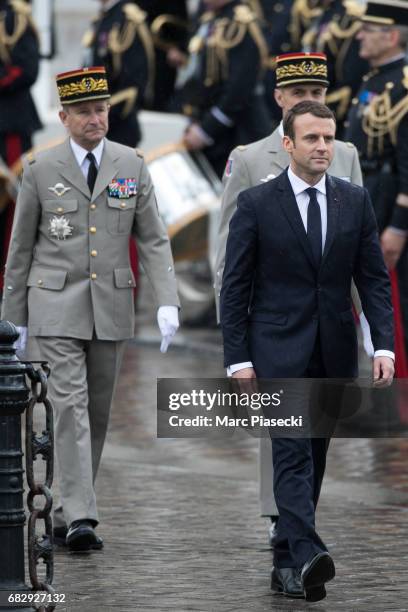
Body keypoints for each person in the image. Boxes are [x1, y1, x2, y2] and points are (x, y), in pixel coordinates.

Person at [220, 101, 394, 601]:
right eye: (312, 138)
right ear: (288, 144)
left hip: (334, 350)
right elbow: (236, 287)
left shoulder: (354, 200)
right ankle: (310, 548)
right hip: (275, 350)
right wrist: (239, 358)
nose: (323, 146)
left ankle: (287, 559)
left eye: (329, 138)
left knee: (314, 456)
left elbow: (374, 281)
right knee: (292, 452)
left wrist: (382, 344)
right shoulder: (257, 203)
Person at [1, 66, 180, 552]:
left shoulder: (131, 164)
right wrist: (12, 321)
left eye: (100, 109)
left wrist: (168, 300)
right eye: (84, 112)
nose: (95, 119)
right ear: (64, 116)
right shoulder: (40, 169)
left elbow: (153, 238)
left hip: (111, 305)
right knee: (70, 408)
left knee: (97, 413)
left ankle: (65, 509)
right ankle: (82, 514)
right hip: (54, 304)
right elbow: (19, 252)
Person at [214, 51, 365, 546]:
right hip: (273, 320)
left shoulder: (344, 155)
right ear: (280, 99)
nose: (309, 102)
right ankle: (284, 522)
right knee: (285, 434)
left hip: (327, 319)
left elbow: (356, 242)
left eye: (317, 95)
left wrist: (363, 318)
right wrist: (235, 336)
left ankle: (293, 527)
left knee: (313, 433)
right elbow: (227, 250)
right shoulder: (251, 158)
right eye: (299, 95)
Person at [345, 0, 408, 370]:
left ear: (392, 35)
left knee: (397, 304)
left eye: (368, 29)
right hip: (370, 194)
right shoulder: (374, 80)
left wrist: (399, 226)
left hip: (389, 203)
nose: (359, 35)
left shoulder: (401, 86)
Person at [180, 0, 272, 178]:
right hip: (214, 134)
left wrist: (206, 129)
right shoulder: (211, 19)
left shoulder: (241, 25)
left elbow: (240, 88)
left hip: (239, 134)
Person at [0, 0, 41, 294]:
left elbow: (27, 69)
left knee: (13, 200)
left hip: (9, 123)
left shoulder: (16, 17)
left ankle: (9, 280)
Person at [83, 0, 155, 147]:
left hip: (118, 129)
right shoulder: (104, 17)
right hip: (95, 127)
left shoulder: (128, 19)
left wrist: (97, 118)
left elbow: (132, 85)